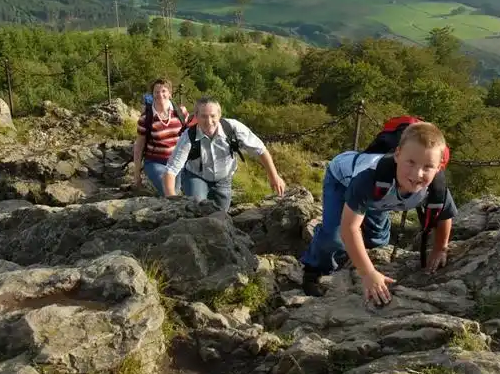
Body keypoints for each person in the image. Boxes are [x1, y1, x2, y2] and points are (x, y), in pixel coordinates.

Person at [299, 121, 458, 304]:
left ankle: (352, 252)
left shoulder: (436, 188)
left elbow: (444, 216)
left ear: (438, 168)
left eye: (428, 167)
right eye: (411, 162)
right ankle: (314, 268)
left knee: (377, 240)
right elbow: (349, 228)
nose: (417, 174)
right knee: (334, 238)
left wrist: (440, 248)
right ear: (397, 155)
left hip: (379, 198)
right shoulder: (369, 178)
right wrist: (368, 273)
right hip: (342, 180)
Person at [162, 96, 286, 210]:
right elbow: (171, 170)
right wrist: (172, 199)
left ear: (219, 115)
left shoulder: (233, 129)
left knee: (221, 216)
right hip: (196, 176)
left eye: (212, 116)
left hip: (223, 179)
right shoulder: (189, 136)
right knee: (197, 209)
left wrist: (274, 176)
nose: (209, 121)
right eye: (204, 116)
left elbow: (260, 149)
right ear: (196, 116)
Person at [133, 78, 190, 195]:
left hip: (178, 161)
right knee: (168, 189)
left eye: (164, 91)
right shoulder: (146, 118)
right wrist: (136, 174)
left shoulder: (181, 112)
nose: (160, 95)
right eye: (156, 92)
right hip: (155, 162)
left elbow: (190, 136)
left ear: (170, 93)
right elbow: (139, 147)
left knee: (177, 191)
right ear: (152, 94)